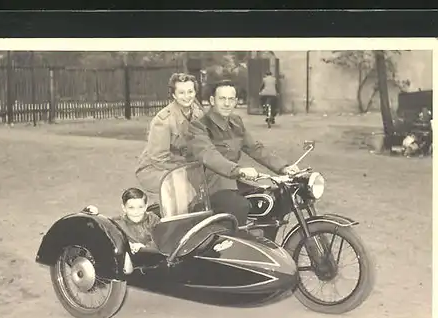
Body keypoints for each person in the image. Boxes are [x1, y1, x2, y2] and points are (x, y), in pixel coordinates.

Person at [186, 80, 299, 227]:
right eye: (222, 99)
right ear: (212, 100)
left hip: (233, 182)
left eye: (231, 99)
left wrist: (283, 167)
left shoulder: (236, 122)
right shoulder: (199, 126)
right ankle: (230, 245)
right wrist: (238, 170)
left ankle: (263, 242)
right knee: (240, 206)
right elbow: (209, 155)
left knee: (272, 198)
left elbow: (255, 148)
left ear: (236, 102)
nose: (227, 103)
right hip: (208, 186)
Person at [135, 73, 204, 203]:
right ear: (174, 95)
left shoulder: (197, 112)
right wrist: (188, 169)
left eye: (190, 91)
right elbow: (158, 159)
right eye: (181, 93)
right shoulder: (163, 120)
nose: (187, 96)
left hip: (183, 164)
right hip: (154, 169)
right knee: (184, 187)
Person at [112, 188, 160, 254]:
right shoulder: (118, 223)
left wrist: (144, 247)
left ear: (146, 207)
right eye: (131, 208)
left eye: (140, 207)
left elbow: (162, 240)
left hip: (154, 257)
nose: (136, 212)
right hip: (131, 260)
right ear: (124, 208)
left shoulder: (153, 219)